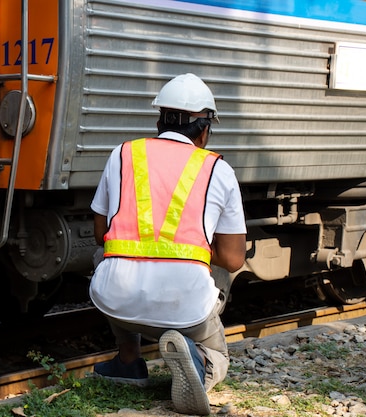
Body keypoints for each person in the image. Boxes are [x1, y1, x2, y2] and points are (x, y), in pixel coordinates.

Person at [89, 73, 246, 416]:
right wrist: (196, 251)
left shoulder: (122, 154)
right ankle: (201, 361)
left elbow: (101, 230)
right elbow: (234, 259)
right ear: (205, 129)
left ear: (159, 120)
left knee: (104, 254)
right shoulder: (218, 169)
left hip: (115, 300)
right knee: (216, 286)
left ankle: (128, 362)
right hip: (186, 309)